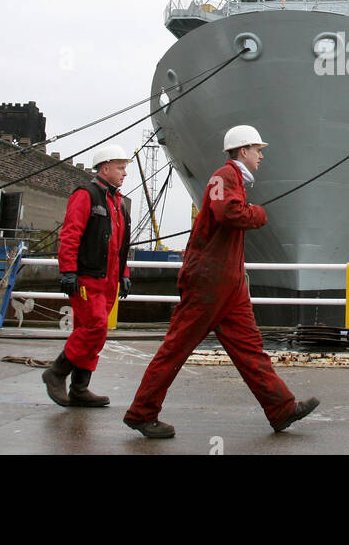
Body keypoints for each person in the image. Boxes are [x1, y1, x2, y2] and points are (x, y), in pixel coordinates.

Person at [123, 125, 319, 438]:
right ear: (243, 150)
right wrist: (260, 214)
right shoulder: (225, 176)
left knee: (249, 348)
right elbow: (229, 213)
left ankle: (281, 408)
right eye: (258, 149)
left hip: (226, 280)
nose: (262, 155)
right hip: (210, 280)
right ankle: (141, 412)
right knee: (177, 348)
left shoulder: (232, 179)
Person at [41, 143, 134, 408]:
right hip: (88, 277)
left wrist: (123, 273)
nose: (124, 173)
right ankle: (56, 373)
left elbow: (120, 246)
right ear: (105, 168)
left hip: (108, 278)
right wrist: (68, 270)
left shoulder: (117, 202)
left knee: (93, 331)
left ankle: (80, 388)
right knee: (95, 327)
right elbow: (71, 234)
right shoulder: (86, 195)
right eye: (120, 167)